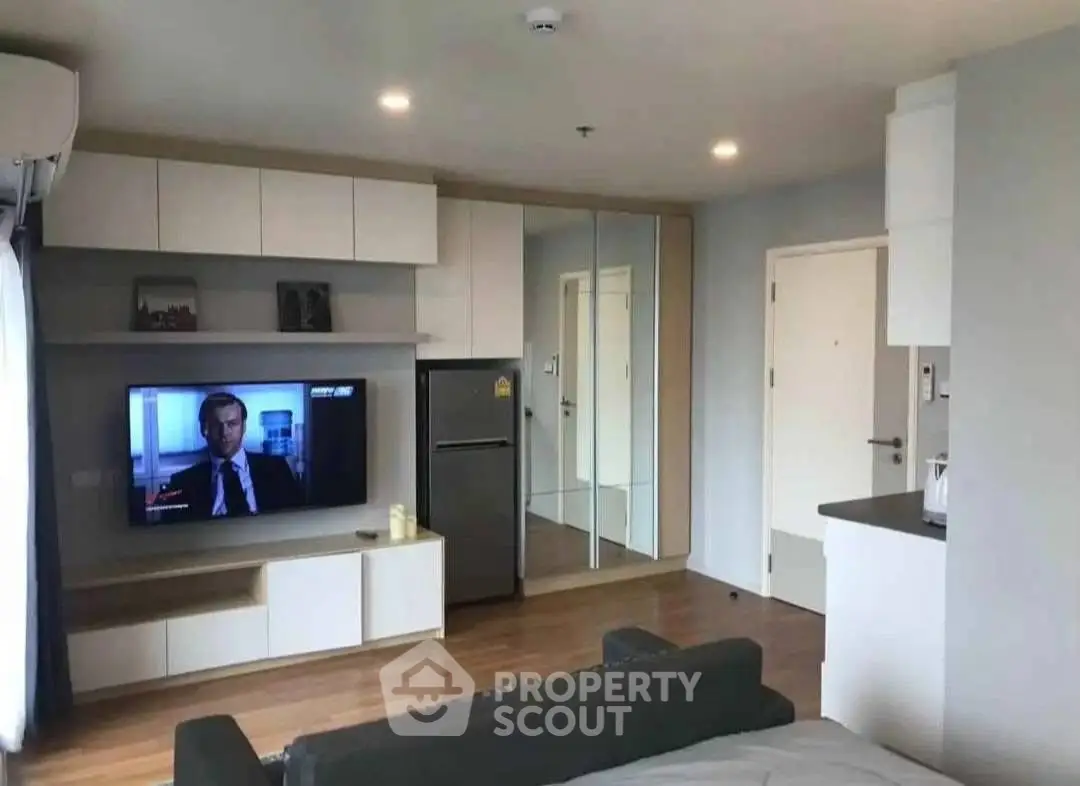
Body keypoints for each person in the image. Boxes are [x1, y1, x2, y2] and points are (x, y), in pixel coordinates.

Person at [165, 392, 303, 519]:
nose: (225, 432)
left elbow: (296, 524)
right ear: (204, 429)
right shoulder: (181, 483)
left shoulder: (277, 469)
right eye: (216, 425)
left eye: (232, 424)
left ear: (243, 427)